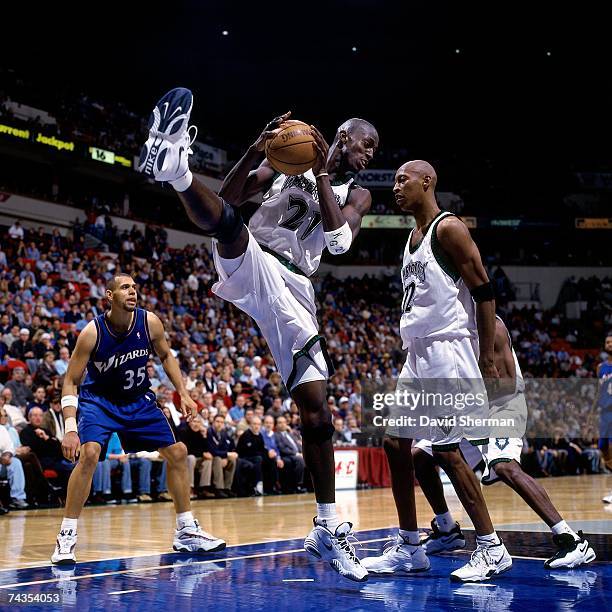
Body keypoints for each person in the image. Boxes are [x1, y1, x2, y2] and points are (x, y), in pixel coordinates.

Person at [139, 87, 378, 581]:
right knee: (227, 227)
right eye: (365, 143)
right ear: (342, 136)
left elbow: (338, 241)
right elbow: (228, 199)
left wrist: (324, 174)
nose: (369, 153)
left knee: (318, 416)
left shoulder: (356, 192)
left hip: (296, 286)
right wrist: (255, 150)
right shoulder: (285, 162)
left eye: (372, 149)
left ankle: (326, 526)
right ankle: (176, 169)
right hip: (258, 258)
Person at [362, 161, 511, 582]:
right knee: (394, 444)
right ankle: (409, 546)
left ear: (427, 182)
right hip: (418, 352)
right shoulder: (411, 239)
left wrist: (484, 358)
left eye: (402, 179)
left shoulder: (450, 229)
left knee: (447, 450)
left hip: (448, 349)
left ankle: (491, 547)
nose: (396, 186)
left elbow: (484, 292)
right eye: (393, 180)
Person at [51, 272, 225, 564]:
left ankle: (185, 530)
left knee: (178, 452)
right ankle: (66, 535)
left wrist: (183, 391)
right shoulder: (92, 332)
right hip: (100, 402)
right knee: (90, 453)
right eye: (124, 288)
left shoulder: (150, 321)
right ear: (109, 296)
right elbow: (70, 380)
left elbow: (166, 355)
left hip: (138, 400)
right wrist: (70, 428)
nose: (132, 292)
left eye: (134, 287)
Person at [412, 316, 596, 569]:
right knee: (421, 456)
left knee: (504, 466)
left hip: (502, 405)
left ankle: (571, 540)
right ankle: (447, 531)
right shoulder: (446, 327)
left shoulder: (492, 327)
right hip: (470, 409)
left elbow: (507, 385)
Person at [207, 414, 237, 498]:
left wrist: (226, 457)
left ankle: (227, 488)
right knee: (217, 459)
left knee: (232, 460)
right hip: (210, 458)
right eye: (217, 421)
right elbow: (212, 451)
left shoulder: (223, 434)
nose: (219, 424)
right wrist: (226, 455)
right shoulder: (209, 432)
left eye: (222, 422)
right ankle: (218, 488)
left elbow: (227, 447)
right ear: (213, 422)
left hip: (221, 457)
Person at [597, 334, 612, 502]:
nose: (609, 344)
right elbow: (598, 393)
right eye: (607, 342)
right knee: (604, 451)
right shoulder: (600, 367)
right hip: (604, 414)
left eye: (611, 342)